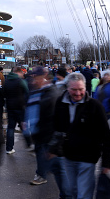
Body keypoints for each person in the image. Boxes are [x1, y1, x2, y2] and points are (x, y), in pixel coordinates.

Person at [49, 72, 110, 199]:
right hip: (68, 157)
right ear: (67, 88)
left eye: (81, 89)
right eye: (74, 90)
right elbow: (56, 127)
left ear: (85, 88)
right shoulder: (60, 103)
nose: (78, 93)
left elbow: (106, 135)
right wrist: (53, 149)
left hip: (88, 158)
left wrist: (106, 161)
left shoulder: (94, 106)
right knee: (71, 192)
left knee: (83, 195)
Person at [25, 67, 69, 198]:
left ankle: (67, 195)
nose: (33, 80)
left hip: (49, 140)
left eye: (35, 77)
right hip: (40, 137)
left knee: (59, 170)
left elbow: (54, 120)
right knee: (56, 169)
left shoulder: (50, 93)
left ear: (42, 78)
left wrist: (52, 144)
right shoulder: (36, 92)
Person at [3, 66, 32, 154]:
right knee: (24, 126)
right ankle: (30, 144)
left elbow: (3, 94)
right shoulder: (20, 81)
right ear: (18, 72)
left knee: (10, 128)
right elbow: (27, 92)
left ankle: (9, 148)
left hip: (10, 108)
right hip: (20, 107)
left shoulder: (6, 82)